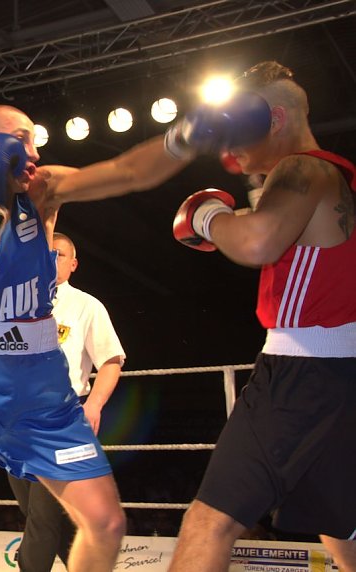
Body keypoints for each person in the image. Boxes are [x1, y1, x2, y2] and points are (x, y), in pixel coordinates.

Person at [0, 99, 224, 572]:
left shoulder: (42, 190)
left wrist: (184, 139)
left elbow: (127, 171)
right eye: (20, 139)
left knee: (106, 523)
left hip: (42, 386)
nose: (33, 150)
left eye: (33, 137)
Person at [167, 61, 356, 571]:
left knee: (208, 522)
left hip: (302, 374)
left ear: (273, 118)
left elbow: (255, 243)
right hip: (342, 374)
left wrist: (206, 214)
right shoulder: (338, 177)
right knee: (341, 524)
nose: (230, 149)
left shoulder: (303, 169)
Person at [7, 232, 125, 571]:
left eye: (58, 254)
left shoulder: (87, 306)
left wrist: (94, 405)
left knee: (43, 517)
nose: (49, 259)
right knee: (35, 514)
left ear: (73, 264)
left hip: (62, 419)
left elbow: (111, 362)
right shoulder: (16, 304)